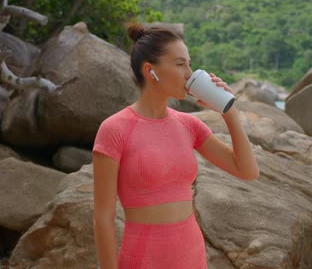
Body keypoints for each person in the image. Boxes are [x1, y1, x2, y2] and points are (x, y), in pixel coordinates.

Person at [92, 23, 259, 269]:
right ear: (151, 71)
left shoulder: (189, 125)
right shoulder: (114, 129)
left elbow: (247, 170)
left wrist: (229, 112)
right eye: (180, 64)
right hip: (144, 257)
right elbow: (103, 218)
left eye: (189, 64)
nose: (189, 74)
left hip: (191, 254)